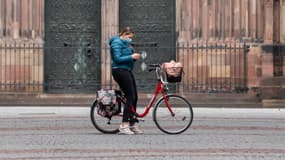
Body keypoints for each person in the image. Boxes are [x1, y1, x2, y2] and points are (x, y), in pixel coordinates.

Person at [109, 26, 143, 135]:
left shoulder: (125, 44)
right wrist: (131, 56)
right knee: (130, 96)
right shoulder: (116, 43)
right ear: (124, 34)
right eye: (129, 37)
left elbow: (126, 57)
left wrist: (134, 58)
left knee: (135, 96)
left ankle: (132, 123)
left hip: (126, 70)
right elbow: (117, 59)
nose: (130, 39)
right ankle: (124, 125)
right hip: (119, 71)